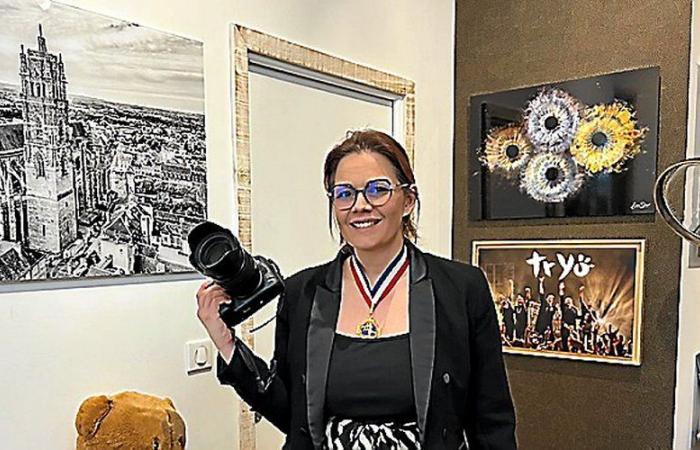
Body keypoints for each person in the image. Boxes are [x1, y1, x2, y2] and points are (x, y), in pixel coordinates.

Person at [196, 130, 516, 449]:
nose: (360, 205)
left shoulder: (460, 289)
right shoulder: (302, 293)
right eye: (345, 193)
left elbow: (492, 421)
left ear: (408, 200)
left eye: (378, 190)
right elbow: (292, 416)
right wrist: (226, 343)